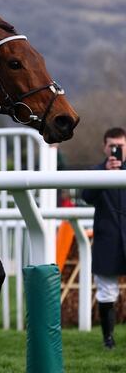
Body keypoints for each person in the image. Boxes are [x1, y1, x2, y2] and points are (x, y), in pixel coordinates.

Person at [81, 127, 126, 350]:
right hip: (107, 241)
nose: (116, 150)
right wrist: (105, 173)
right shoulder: (96, 171)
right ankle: (108, 340)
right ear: (104, 147)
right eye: (112, 146)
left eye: (120, 146)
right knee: (107, 292)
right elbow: (86, 196)